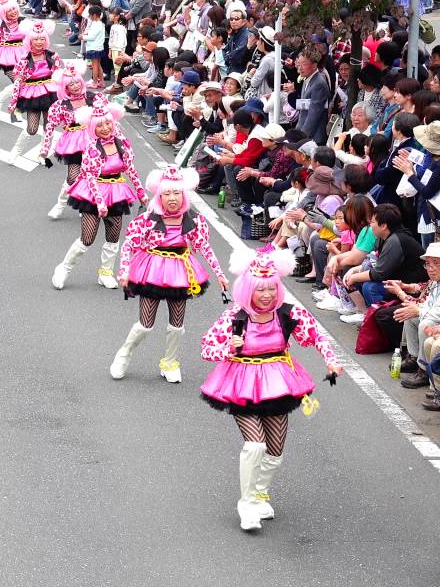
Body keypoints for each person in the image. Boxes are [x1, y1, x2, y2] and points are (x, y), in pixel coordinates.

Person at [199, 247, 342, 532]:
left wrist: (331, 361)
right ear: (248, 290)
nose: (266, 295)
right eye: (259, 290)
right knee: (255, 446)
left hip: (278, 383)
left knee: (275, 452)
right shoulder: (235, 317)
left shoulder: (287, 312)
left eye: (270, 289)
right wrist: (229, 347)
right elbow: (206, 347)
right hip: (241, 383)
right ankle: (247, 503)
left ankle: (260, 492)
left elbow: (316, 335)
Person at [113, 166, 229, 383]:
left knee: (177, 324)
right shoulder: (147, 219)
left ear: (184, 195)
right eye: (167, 194)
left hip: (181, 272)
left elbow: (205, 247)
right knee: (145, 325)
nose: (172, 198)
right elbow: (129, 246)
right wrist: (124, 272)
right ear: (159, 196)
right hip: (152, 270)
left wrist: (220, 274)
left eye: (176, 193)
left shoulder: (194, 220)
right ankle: (125, 352)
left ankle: (170, 362)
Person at [52, 98, 146, 290]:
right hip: (93, 194)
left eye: (108, 123)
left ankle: (105, 272)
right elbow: (91, 177)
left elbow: (130, 169)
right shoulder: (91, 149)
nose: (105, 128)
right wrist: (101, 203)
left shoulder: (123, 144)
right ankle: (64, 267)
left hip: (116, 191)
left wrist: (141, 192)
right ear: (92, 127)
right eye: (100, 125)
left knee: (113, 236)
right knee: (87, 238)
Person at [7, 19, 62, 164]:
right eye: (36, 39)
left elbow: (59, 78)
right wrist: (13, 103)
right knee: (32, 128)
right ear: (29, 41)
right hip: (32, 95)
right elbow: (18, 82)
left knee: (49, 126)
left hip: (50, 93)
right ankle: (16, 151)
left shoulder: (53, 56)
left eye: (42, 39)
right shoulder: (24, 59)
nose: (39, 42)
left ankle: (43, 153)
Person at [42, 66, 91, 219]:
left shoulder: (93, 98)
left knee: (92, 175)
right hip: (74, 143)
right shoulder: (60, 105)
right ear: (65, 87)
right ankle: (60, 204)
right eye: (71, 84)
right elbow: (50, 126)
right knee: (73, 176)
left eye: (78, 82)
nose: (76, 86)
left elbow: (107, 120)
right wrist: (45, 148)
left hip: (94, 140)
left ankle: (86, 206)